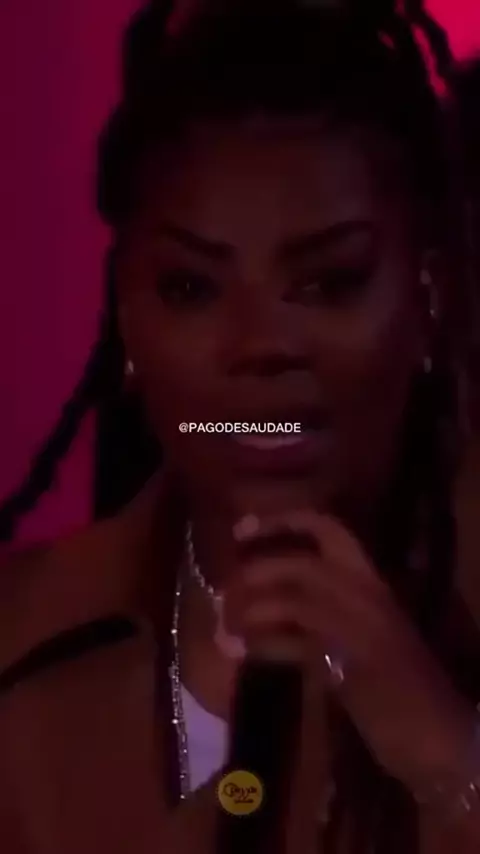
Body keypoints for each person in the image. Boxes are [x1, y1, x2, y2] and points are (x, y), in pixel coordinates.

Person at [0, 1, 480, 851]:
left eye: (330, 281)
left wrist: (448, 756)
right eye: (191, 287)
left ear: (429, 295)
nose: (260, 345)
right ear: (126, 319)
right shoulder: (22, 638)